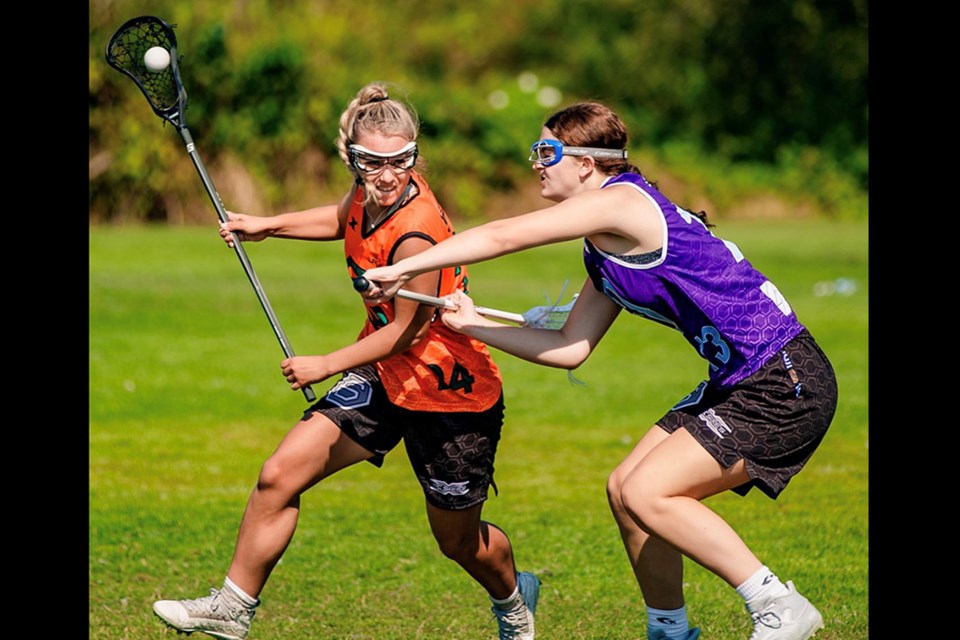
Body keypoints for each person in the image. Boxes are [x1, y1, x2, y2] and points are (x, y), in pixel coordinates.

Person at [360, 101, 838, 640]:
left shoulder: (621, 203)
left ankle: (776, 603)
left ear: (586, 163)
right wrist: (473, 327)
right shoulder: (604, 247)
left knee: (649, 492)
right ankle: (670, 631)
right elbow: (570, 347)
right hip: (741, 380)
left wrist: (402, 265)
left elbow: (503, 236)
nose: (536, 163)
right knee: (625, 491)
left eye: (547, 152)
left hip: (785, 380)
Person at [151, 82, 540, 640]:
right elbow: (341, 217)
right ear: (353, 158)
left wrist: (325, 363)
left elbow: (406, 334)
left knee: (458, 542)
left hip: (449, 393)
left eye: (400, 161)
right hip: (383, 378)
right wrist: (267, 225)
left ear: (414, 154)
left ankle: (512, 600)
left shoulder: (417, 233)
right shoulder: (368, 194)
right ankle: (233, 609)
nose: (386, 175)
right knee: (279, 475)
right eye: (372, 162)